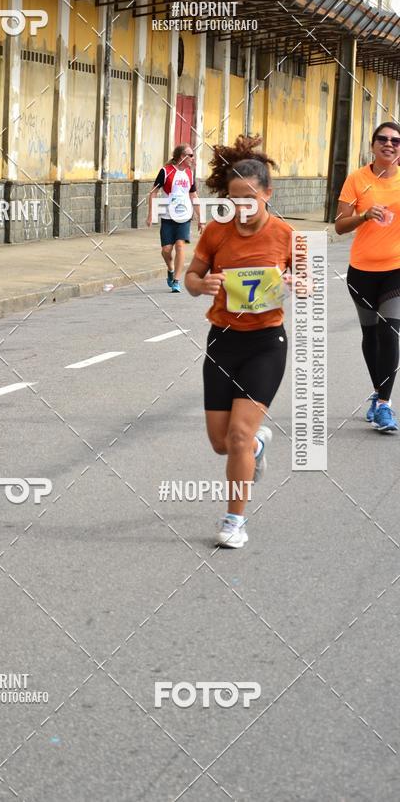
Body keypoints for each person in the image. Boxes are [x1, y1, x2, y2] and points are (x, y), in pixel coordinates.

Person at [184, 136, 293, 549]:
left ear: (267, 194)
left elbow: (307, 279)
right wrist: (202, 283)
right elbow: (192, 279)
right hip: (223, 341)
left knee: (238, 438)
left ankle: (234, 521)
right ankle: (259, 443)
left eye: (249, 199)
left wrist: (295, 281)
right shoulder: (216, 232)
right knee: (219, 442)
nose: (241, 207)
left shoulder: (285, 234)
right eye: (233, 199)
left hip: (266, 343)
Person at [336, 122, 400, 434]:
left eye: (396, 141)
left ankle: (385, 405)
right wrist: (363, 215)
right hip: (361, 271)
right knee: (371, 335)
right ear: (373, 144)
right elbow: (339, 225)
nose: (390, 145)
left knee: (390, 331)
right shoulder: (357, 179)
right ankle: (378, 392)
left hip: (396, 269)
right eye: (384, 139)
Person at [146, 144, 202, 293]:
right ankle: (170, 269)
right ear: (181, 157)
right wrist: (151, 214)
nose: (192, 158)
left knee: (180, 246)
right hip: (167, 216)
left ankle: (176, 281)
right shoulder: (166, 172)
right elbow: (153, 192)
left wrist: (200, 217)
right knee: (166, 250)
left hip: (184, 216)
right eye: (190, 155)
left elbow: (193, 195)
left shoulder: (189, 174)